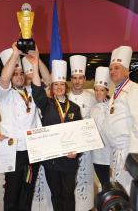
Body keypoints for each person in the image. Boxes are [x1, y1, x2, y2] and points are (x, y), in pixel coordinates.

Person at [28, 50, 82, 211]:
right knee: (56, 194)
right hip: (52, 160)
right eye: (56, 84)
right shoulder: (47, 104)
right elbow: (37, 91)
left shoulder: (74, 108)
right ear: (52, 87)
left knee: (68, 194)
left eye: (61, 84)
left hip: (69, 159)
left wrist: (76, 152)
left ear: (66, 86)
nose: (59, 87)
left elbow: (79, 133)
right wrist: (35, 64)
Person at [0, 43, 42, 211]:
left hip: (31, 153)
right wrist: (15, 54)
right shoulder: (3, 94)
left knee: (27, 193)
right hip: (13, 153)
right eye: (15, 73)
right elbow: (4, 79)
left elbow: (43, 84)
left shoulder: (30, 91)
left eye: (21, 72)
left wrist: (36, 62)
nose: (19, 76)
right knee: (11, 195)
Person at [104, 45, 138, 194]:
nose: (112, 72)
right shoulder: (114, 94)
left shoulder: (134, 90)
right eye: (111, 68)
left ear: (126, 71)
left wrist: (133, 157)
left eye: (117, 68)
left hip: (128, 152)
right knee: (121, 193)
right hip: (117, 153)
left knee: (130, 193)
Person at [69, 55, 95, 211]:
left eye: (80, 78)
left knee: (85, 179)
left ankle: (86, 207)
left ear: (84, 78)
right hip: (70, 149)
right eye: (74, 78)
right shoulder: (65, 97)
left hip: (86, 149)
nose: (77, 81)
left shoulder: (91, 97)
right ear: (71, 79)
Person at [90, 66, 111, 188]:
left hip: (110, 154)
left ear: (107, 91)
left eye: (102, 90)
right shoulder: (93, 108)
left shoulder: (113, 107)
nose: (98, 93)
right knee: (104, 184)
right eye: (96, 90)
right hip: (97, 155)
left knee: (113, 184)